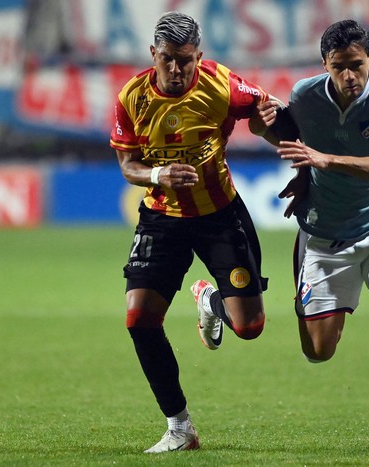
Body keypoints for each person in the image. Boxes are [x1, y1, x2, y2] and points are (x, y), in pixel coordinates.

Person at [109, 11, 276, 454]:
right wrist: (159, 174)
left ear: (198, 57)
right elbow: (128, 165)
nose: (177, 69)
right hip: (161, 218)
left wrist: (268, 119)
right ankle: (179, 428)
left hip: (220, 216)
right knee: (139, 319)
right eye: (168, 59)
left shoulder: (222, 85)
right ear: (153, 55)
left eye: (186, 60)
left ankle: (208, 298)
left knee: (250, 327)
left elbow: (265, 113)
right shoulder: (131, 97)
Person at [258, 19, 369, 452]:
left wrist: (325, 161)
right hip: (325, 233)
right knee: (318, 351)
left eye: (356, 65)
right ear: (324, 65)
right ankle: (319, 299)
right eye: (339, 67)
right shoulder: (305, 96)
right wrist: (298, 167)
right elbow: (290, 137)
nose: (350, 76)